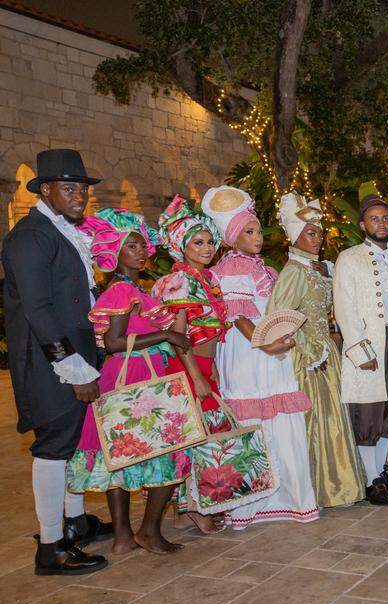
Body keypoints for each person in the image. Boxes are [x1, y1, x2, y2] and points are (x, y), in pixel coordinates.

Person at [3, 149, 111, 575]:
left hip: (75, 350)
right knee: (52, 449)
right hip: (50, 361)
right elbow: (39, 311)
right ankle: (50, 546)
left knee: (73, 443)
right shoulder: (31, 236)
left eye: (82, 188)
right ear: (44, 189)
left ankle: (76, 523)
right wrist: (74, 368)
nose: (79, 195)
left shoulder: (60, 231)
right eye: (69, 188)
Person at [67, 208, 189, 554]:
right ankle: (146, 531)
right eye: (130, 246)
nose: (140, 251)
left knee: (120, 452)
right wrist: (167, 335)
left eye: (141, 246)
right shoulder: (122, 290)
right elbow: (114, 342)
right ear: (114, 252)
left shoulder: (135, 288)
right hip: (131, 373)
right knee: (162, 449)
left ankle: (124, 537)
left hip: (138, 372)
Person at [203, 185, 317, 529]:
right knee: (255, 416)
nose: (257, 237)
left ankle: (290, 497)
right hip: (247, 354)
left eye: (257, 230)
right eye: (248, 232)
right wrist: (264, 343)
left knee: (279, 414)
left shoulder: (264, 268)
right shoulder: (231, 269)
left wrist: (280, 337)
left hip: (269, 351)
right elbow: (238, 317)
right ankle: (251, 504)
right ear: (232, 237)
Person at [267, 193, 366, 508]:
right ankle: (317, 488)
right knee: (314, 422)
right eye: (311, 233)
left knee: (332, 421)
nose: (318, 239)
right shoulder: (294, 270)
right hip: (306, 359)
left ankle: (336, 485)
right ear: (295, 234)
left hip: (326, 353)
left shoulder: (320, 268)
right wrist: (312, 352)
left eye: (320, 233)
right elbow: (280, 316)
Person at [152, 196, 236, 534]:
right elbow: (178, 336)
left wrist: (212, 368)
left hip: (204, 368)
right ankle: (195, 511)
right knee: (195, 440)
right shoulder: (180, 282)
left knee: (205, 437)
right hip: (187, 371)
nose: (206, 247)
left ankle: (191, 508)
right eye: (197, 242)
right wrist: (197, 379)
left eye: (209, 241)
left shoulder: (207, 280)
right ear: (181, 246)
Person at [334, 195, 388, 505]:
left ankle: (381, 472)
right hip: (367, 344)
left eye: (385, 218)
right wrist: (360, 352)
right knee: (367, 413)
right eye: (374, 218)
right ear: (362, 225)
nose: (381, 223)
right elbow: (343, 308)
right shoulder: (349, 258)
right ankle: (371, 480)